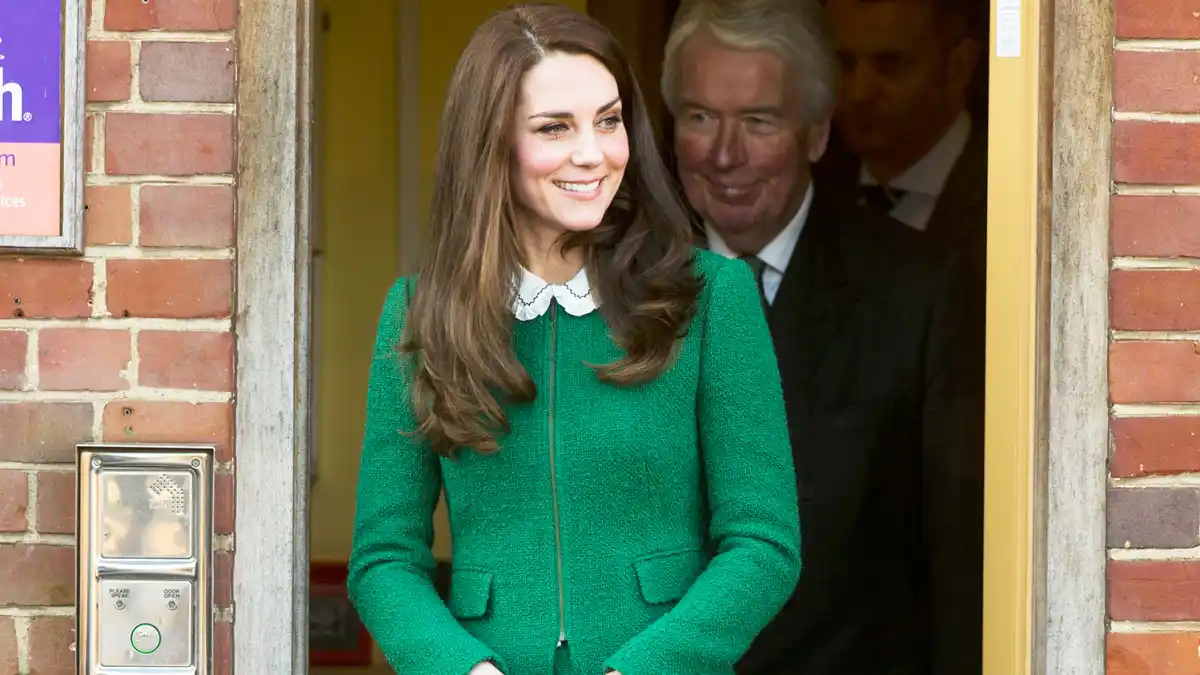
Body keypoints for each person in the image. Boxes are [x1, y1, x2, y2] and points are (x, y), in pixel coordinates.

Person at [346, 5, 802, 675]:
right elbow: (384, 558)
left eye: (608, 121)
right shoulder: (419, 314)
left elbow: (764, 543)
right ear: (491, 142)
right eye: (554, 127)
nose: (593, 153)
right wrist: (460, 667)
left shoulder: (712, 297)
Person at [661, 1, 984, 674]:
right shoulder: (618, 286)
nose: (724, 154)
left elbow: (956, 567)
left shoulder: (916, 292)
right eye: (700, 118)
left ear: (816, 134)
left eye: (758, 121)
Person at [818, 0, 987, 286]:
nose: (859, 92)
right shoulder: (807, 185)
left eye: (890, 65)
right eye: (843, 63)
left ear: (958, 67)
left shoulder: (1016, 200)